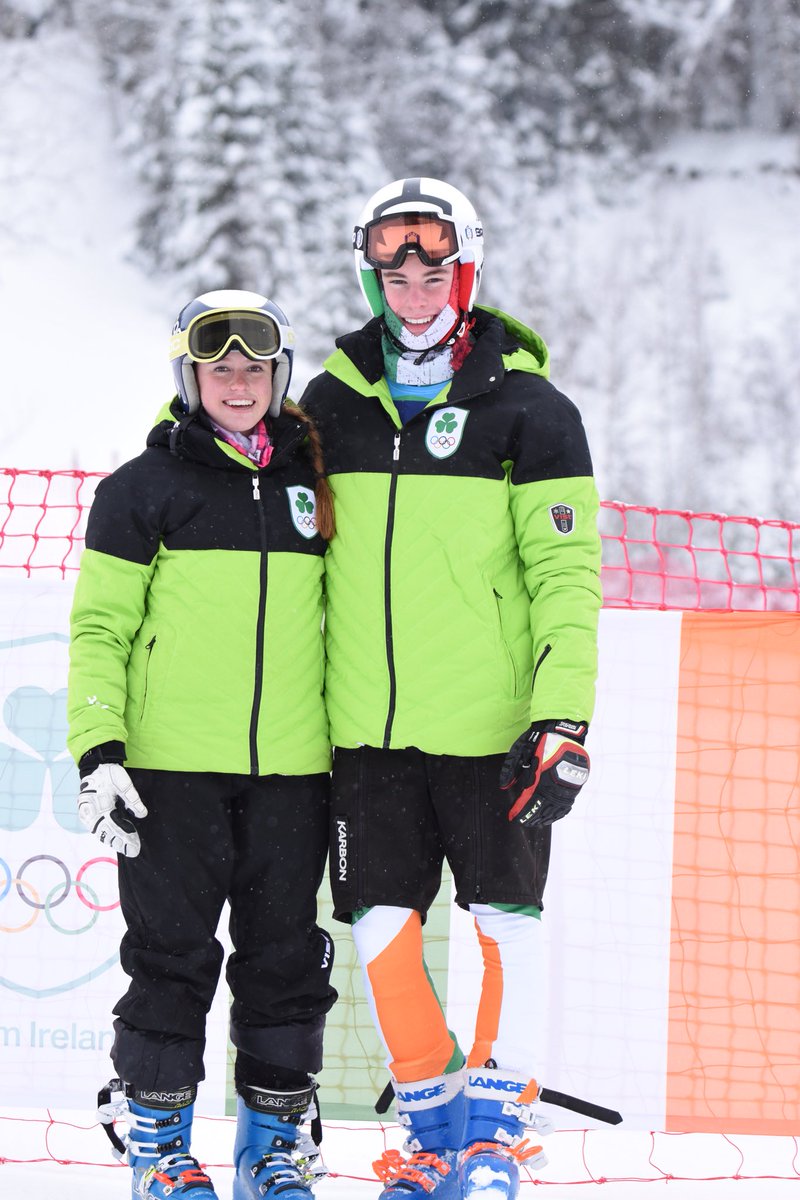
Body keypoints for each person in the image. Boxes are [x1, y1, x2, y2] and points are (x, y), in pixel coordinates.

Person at [300, 179, 602, 1200]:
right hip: (368, 732)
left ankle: (496, 1137)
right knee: (379, 925)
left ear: (464, 273)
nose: (415, 290)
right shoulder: (330, 405)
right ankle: (432, 1133)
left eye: (434, 272)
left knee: (505, 920)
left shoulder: (531, 411)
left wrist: (562, 716)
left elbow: (565, 576)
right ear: (372, 278)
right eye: (396, 274)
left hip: (492, 729)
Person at [67, 290, 337, 1200]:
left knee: (285, 960)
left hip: (293, 772)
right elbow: (100, 629)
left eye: (255, 368)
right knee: (171, 958)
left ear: (279, 377)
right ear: (189, 379)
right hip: (169, 772)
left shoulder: (317, 484)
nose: (238, 383)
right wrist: (99, 750)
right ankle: (160, 1150)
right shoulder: (141, 490)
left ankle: (272, 1151)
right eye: (218, 369)